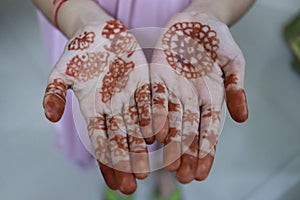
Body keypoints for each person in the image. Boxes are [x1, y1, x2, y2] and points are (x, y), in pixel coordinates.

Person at [33, 0, 254, 199]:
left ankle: (166, 174)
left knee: (175, 120)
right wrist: (78, 16)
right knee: (106, 122)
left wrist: (212, 10)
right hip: (88, 29)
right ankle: (124, 178)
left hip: (182, 24)